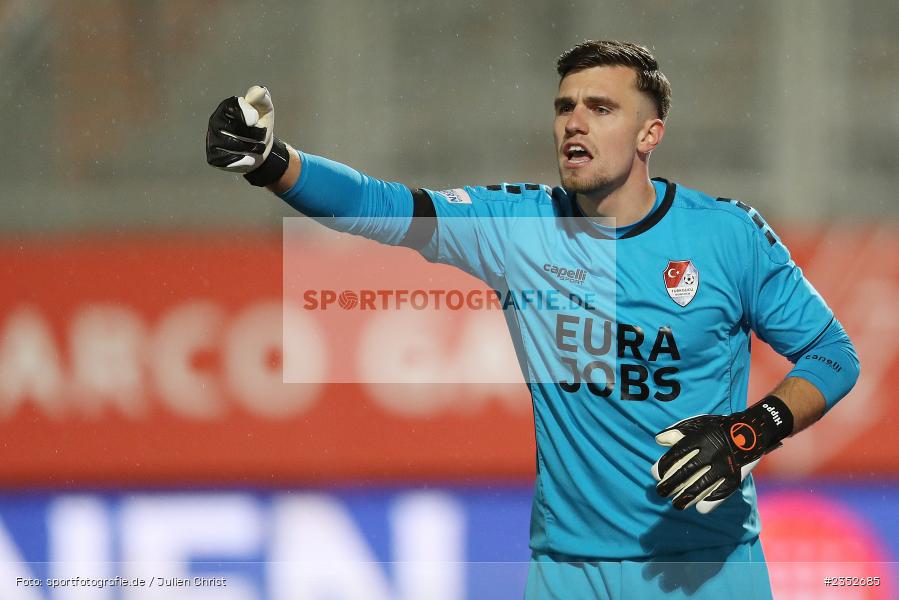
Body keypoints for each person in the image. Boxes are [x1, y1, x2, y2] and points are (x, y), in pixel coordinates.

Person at [206, 40, 859, 599]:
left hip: (707, 565)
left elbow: (832, 355)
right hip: (568, 569)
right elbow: (382, 205)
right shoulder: (516, 228)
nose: (573, 124)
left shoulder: (726, 236)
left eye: (599, 108)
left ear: (647, 134)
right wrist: (272, 164)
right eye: (564, 108)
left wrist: (750, 432)